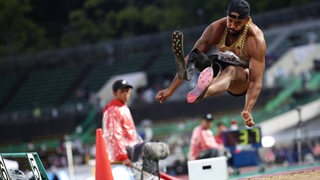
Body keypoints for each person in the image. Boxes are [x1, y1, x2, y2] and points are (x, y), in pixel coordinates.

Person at [156, 0, 266, 128]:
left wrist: (247, 109)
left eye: (238, 23)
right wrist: (171, 89)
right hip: (220, 63)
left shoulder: (255, 40)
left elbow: (255, 81)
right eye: (230, 20)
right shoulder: (216, 29)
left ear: (247, 20)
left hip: (241, 78)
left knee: (231, 71)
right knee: (195, 56)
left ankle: (204, 91)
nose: (232, 26)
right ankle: (210, 75)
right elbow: (190, 59)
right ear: (226, 16)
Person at [102, 79, 139, 180]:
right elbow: (114, 135)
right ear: (115, 93)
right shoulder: (113, 110)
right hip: (120, 162)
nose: (125, 94)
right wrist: (123, 157)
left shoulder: (124, 108)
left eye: (127, 91)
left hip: (128, 158)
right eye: (122, 91)